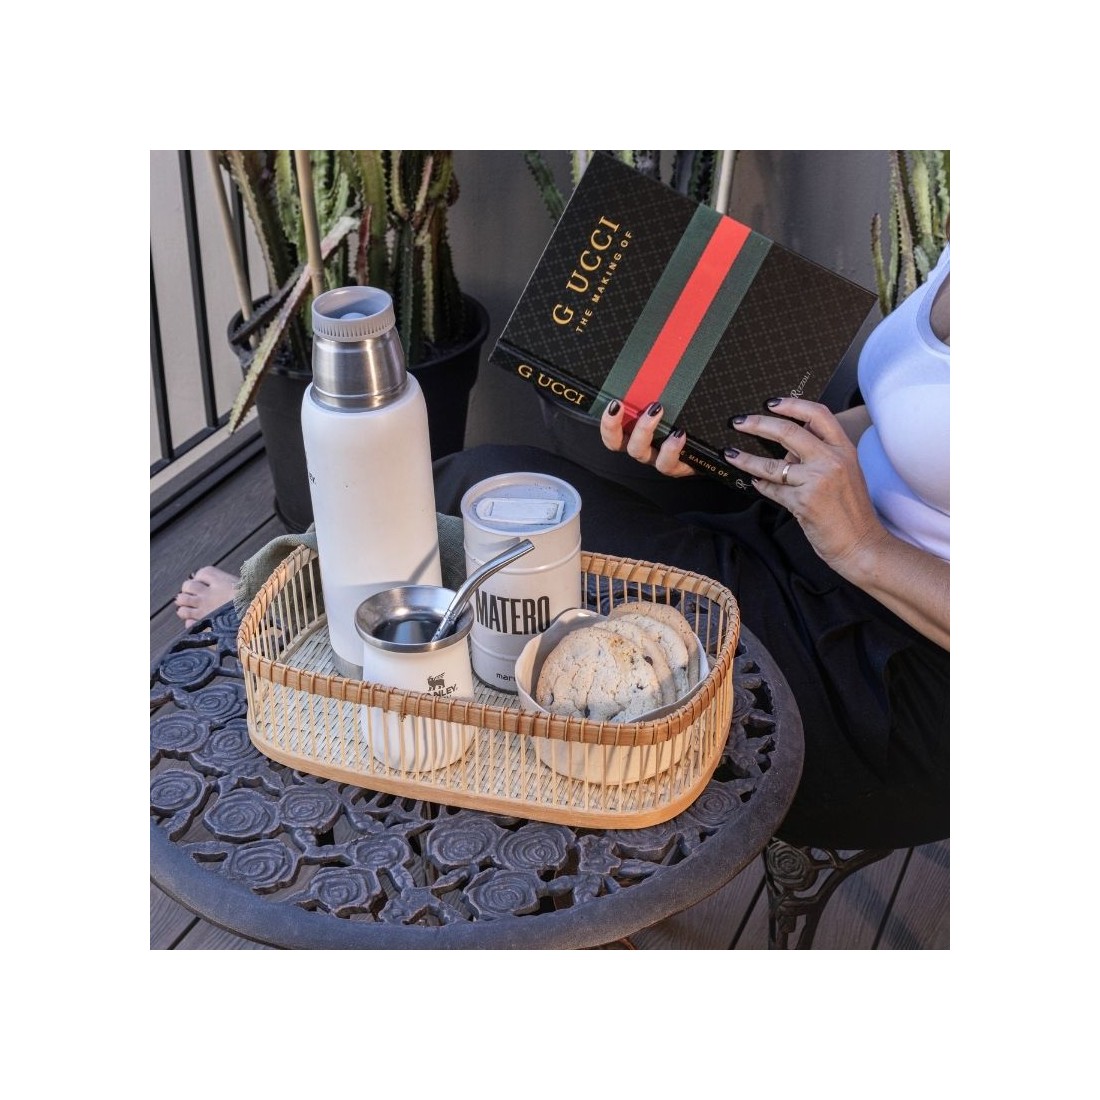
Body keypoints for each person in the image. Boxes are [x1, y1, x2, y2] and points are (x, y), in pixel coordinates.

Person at [175, 243, 949, 852]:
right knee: (489, 499)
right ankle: (308, 609)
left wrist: (864, 547)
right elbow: (902, 429)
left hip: (894, 678)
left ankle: (292, 615)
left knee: (500, 563)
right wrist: (747, 449)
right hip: (802, 544)